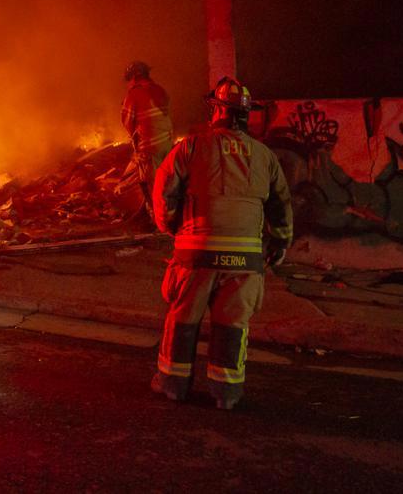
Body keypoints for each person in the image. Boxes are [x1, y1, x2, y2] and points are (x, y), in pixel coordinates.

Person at [151, 77, 293, 410]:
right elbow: (281, 204)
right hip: (245, 261)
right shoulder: (265, 156)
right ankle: (225, 395)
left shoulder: (190, 146)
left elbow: (164, 189)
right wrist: (280, 242)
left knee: (183, 319)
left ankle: (173, 386)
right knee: (232, 325)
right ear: (247, 115)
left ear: (216, 111)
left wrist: (170, 224)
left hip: (196, 253)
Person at [120, 61, 173, 212]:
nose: (128, 84)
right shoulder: (160, 90)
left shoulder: (134, 94)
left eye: (129, 80)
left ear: (135, 77)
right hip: (166, 145)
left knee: (151, 186)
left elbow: (127, 122)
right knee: (164, 181)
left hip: (149, 149)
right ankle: (164, 214)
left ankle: (158, 222)